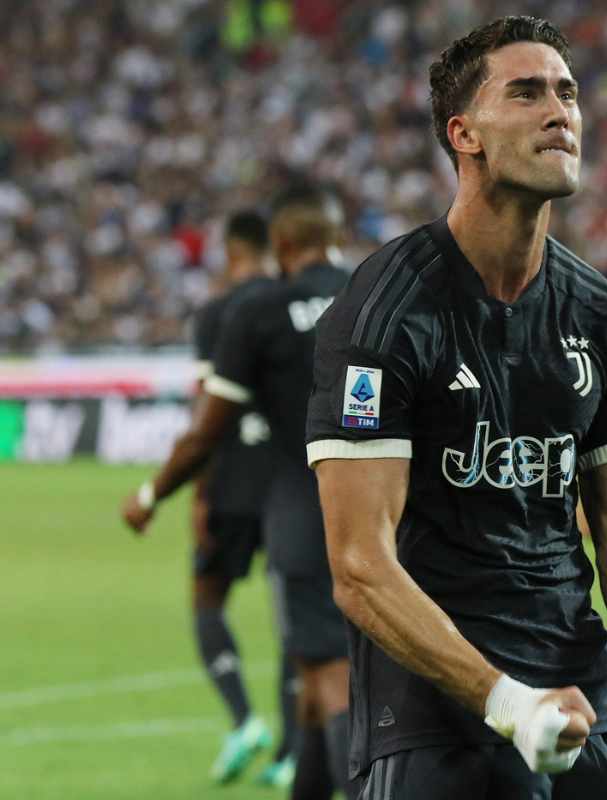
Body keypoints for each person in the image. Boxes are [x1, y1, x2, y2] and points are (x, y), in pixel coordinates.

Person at [304, 15, 607, 800]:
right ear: (464, 134)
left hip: (582, 681)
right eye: (527, 93)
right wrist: (507, 702)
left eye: (567, 93)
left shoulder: (605, 317)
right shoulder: (382, 316)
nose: (559, 112)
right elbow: (360, 568)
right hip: (431, 698)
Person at [121, 185, 354, 800]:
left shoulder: (259, 310)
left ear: (281, 244)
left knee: (331, 676)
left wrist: (149, 495)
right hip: (388, 513)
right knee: (318, 681)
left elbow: (205, 432)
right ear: (336, 236)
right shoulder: (379, 292)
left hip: (304, 512)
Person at [188, 209, 299, 786]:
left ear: (231, 251)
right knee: (293, 617)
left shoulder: (215, 313)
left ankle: (243, 720)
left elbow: (205, 410)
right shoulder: (292, 305)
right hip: (286, 482)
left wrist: (198, 495)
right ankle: (291, 752)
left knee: (207, 598)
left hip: (230, 481)